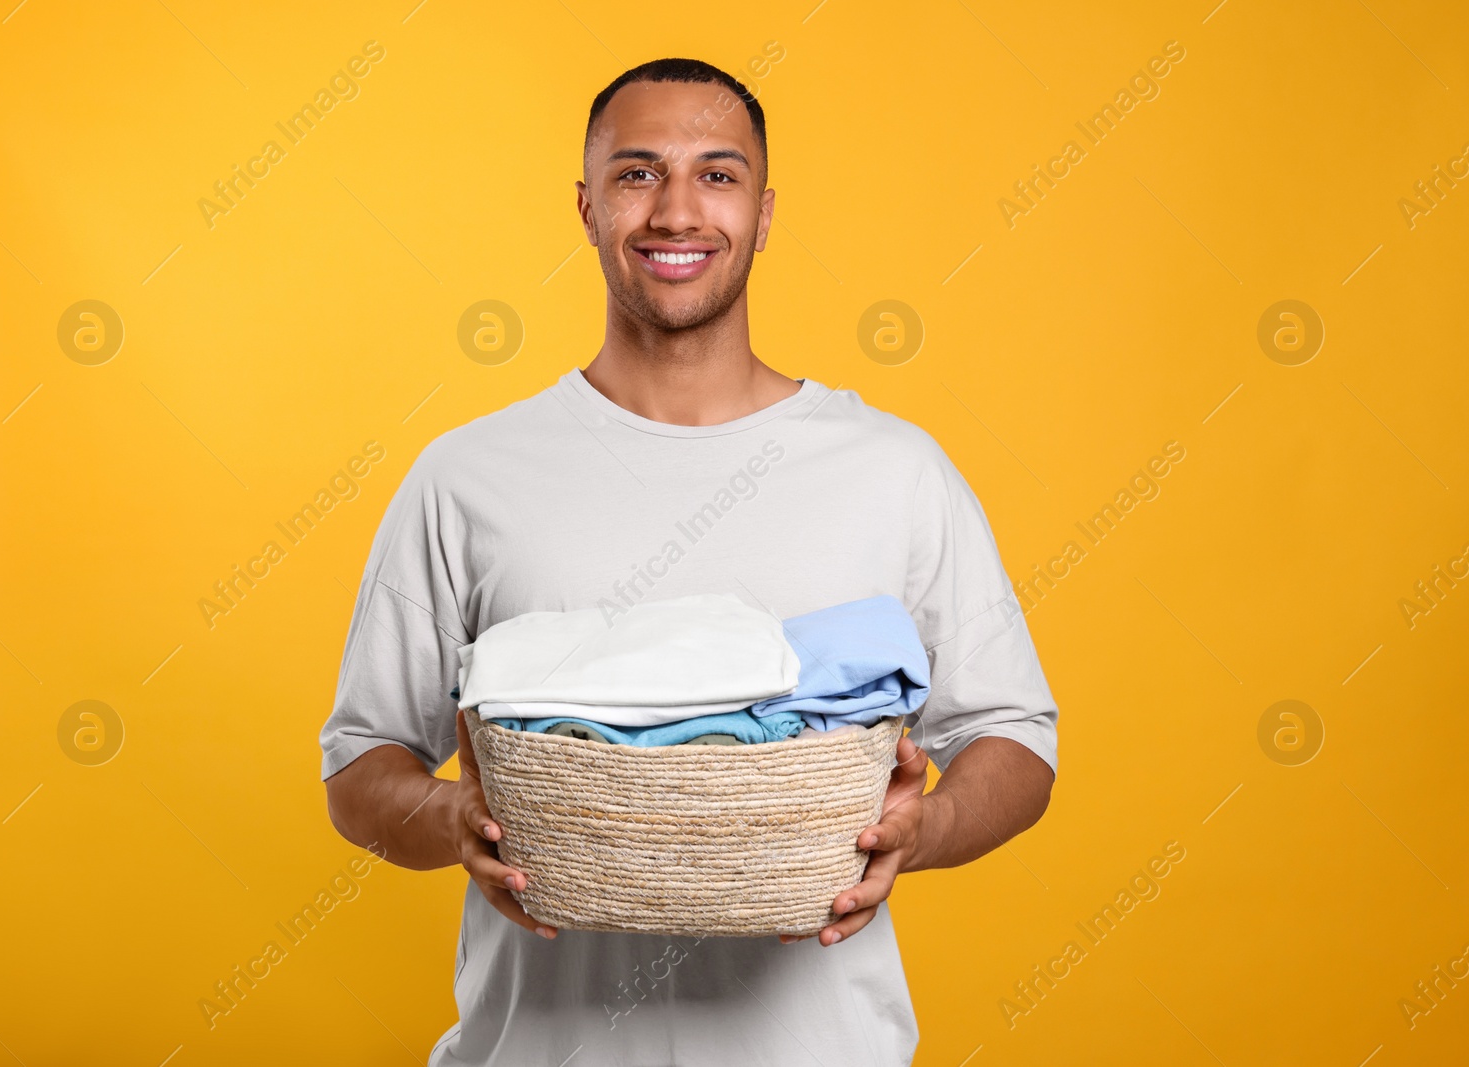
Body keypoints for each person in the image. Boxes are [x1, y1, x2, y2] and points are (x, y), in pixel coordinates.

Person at [320, 57, 1058, 1066]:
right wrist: (459, 813)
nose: (676, 212)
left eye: (717, 175)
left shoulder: (892, 470)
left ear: (762, 213)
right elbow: (360, 769)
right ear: (585, 208)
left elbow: (1016, 740)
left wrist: (916, 831)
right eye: (636, 174)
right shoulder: (468, 476)